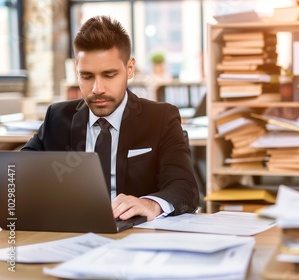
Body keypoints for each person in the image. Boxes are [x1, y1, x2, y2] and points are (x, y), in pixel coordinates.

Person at [22, 15, 199, 221]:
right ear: (76, 73)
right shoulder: (57, 117)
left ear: (129, 68)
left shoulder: (161, 118)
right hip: (71, 231)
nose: (97, 89)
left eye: (109, 75)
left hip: (134, 235)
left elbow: (185, 188)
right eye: (87, 76)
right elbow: (18, 173)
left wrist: (150, 204)